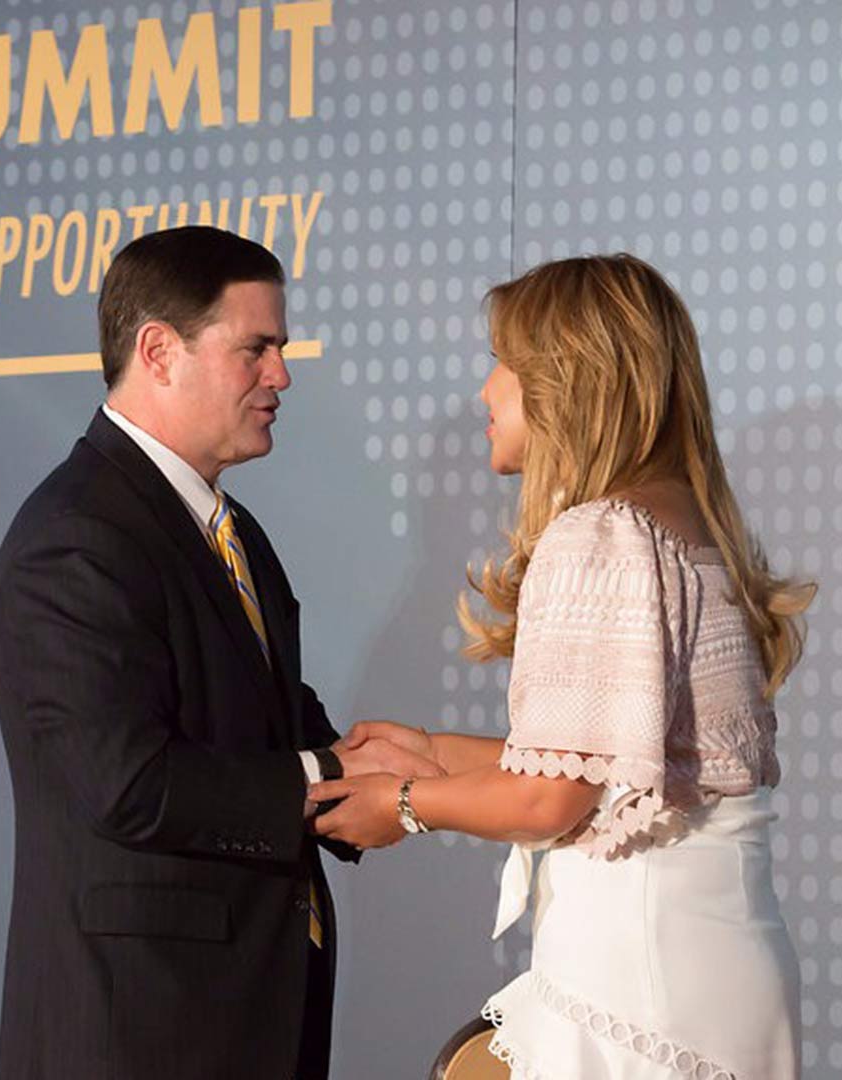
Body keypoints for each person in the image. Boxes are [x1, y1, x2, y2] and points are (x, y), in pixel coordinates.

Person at [312, 254, 814, 1079]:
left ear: (566, 381)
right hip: (721, 971)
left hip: (639, 981)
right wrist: (433, 749)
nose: (485, 391)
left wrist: (403, 805)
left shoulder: (599, 535)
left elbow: (553, 799)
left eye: (501, 364)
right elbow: (616, 761)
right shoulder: (690, 531)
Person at [0, 226, 438, 1080]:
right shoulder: (75, 539)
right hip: (141, 1032)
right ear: (158, 350)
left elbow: (261, 722)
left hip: (244, 1014)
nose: (282, 374)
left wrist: (369, 767)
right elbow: (126, 781)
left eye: (282, 347)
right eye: (256, 348)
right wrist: (325, 774)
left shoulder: (235, 534)